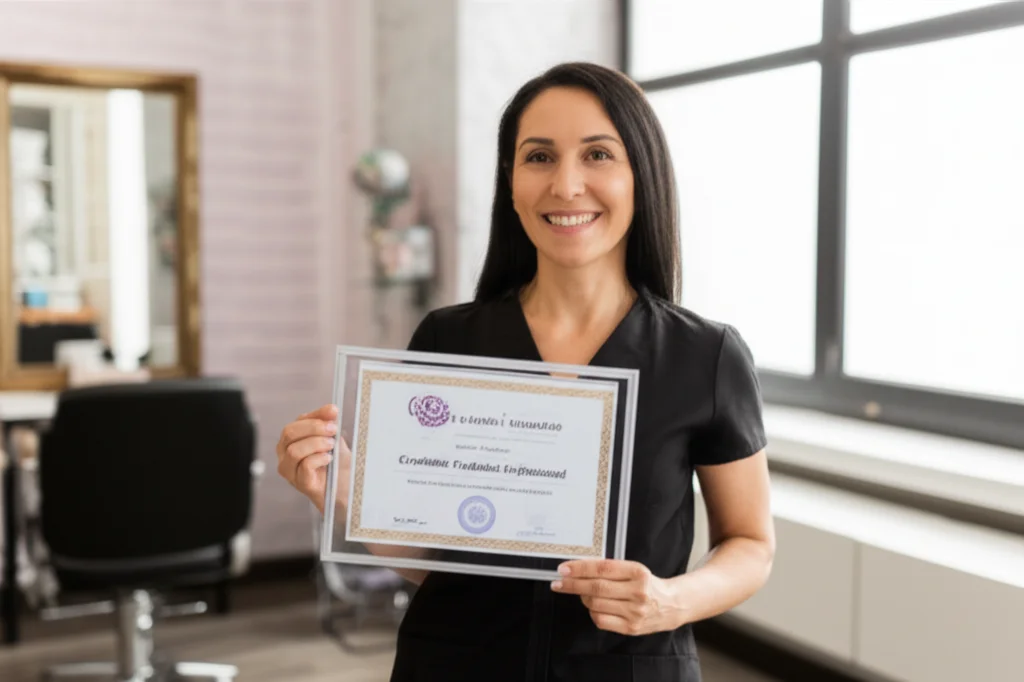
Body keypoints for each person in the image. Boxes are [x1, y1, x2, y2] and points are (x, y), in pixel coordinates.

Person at [277, 61, 774, 682]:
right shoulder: (448, 339)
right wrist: (346, 495)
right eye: (539, 157)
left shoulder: (706, 356)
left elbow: (751, 545)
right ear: (510, 180)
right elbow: (434, 563)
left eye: (598, 154)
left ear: (640, 174)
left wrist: (671, 601)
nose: (566, 185)